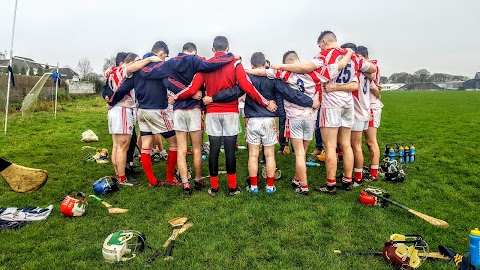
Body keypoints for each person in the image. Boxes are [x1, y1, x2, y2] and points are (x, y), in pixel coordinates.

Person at [174, 36, 277, 197]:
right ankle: (232, 187)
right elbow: (247, 88)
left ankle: (214, 188)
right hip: (230, 112)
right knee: (230, 150)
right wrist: (266, 103)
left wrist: (176, 97)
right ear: (228, 49)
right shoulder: (235, 63)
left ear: (213, 49)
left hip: (213, 113)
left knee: (214, 149)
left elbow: (192, 88)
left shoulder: (205, 65)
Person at [270, 31, 372, 194]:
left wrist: (280, 66)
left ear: (324, 42)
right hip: (348, 103)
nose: (319, 47)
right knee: (346, 144)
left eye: (319, 45)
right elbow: (371, 69)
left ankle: (330, 183)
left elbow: (307, 67)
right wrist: (354, 56)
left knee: (330, 146)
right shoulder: (351, 56)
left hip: (331, 104)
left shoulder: (325, 54)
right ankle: (348, 180)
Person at [208, 51, 318, 194]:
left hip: (253, 120)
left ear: (252, 65)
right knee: (270, 155)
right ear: (265, 64)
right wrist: (309, 102)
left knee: (253, 155)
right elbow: (290, 93)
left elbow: (234, 92)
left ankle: (254, 187)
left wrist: (214, 98)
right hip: (269, 119)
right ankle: (270, 186)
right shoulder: (272, 77)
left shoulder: (247, 77)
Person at [248, 50, 352, 195]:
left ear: (288, 63)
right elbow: (339, 67)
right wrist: (349, 53)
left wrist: (244, 70)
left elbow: (262, 73)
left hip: (294, 118)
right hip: (310, 117)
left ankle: (303, 185)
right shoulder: (316, 72)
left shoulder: (286, 74)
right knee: (302, 152)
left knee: (300, 154)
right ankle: (297, 179)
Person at [140, 42, 237, 195]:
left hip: (178, 109)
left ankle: (186, 184)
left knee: (181, 149)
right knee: (197, 148)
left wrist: (142, 64)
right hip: (194, 108)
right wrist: (230, 57)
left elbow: (163, 79)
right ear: (194, 52)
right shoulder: (195, 60)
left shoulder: (170, 63)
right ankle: (198, 180)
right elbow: (211, 64)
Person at [105, 52, 161, 186]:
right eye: (137, 61)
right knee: (123, 146)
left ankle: (118, 175)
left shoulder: (112, 71)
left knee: (116, 146)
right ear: (130, 62)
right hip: (123, 110)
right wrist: (149, 59)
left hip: (115, 110)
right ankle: (122, 178)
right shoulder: (123, 70)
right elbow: (130, 69)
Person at [360, 46, 383, 181]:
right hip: (365, 107)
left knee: (370, 141)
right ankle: (370, 168)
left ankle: (374, 173)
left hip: (371, 108)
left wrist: (378, 95)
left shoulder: (372, 66)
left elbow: (372, 77)